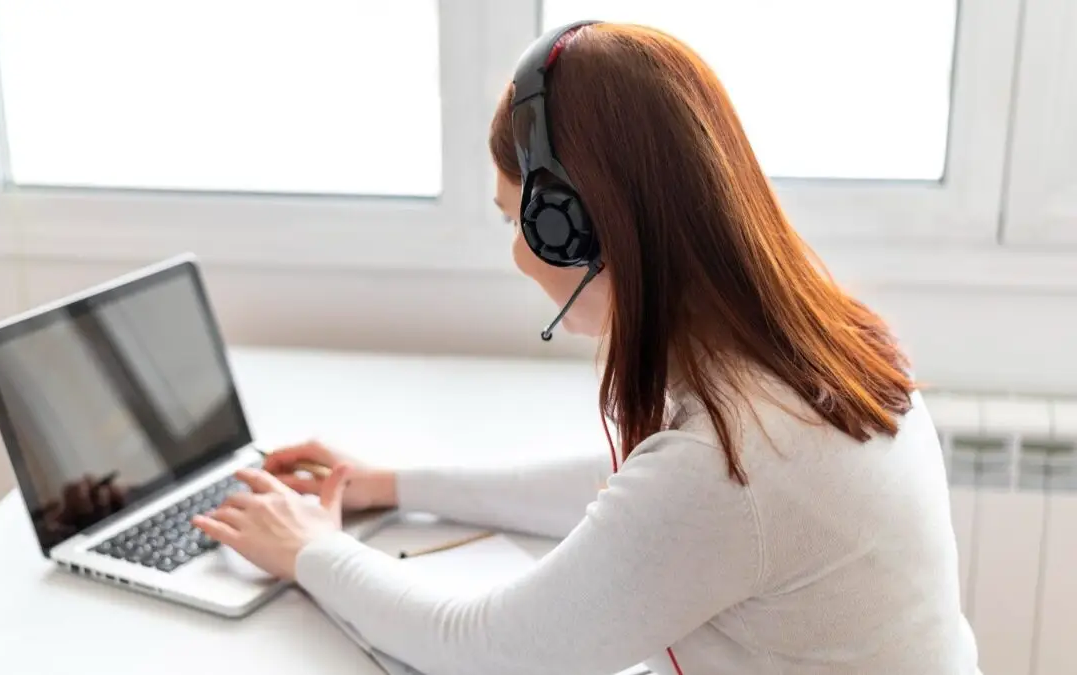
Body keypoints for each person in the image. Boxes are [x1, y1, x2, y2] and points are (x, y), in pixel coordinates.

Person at [192, 20, 980, 675]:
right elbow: (634, 498)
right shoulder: (803, 353)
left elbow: (483, 649)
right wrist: (391, 484)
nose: (516, 253)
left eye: (517, 221)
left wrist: (310, 550)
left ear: (578, 224)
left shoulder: (730, 465)